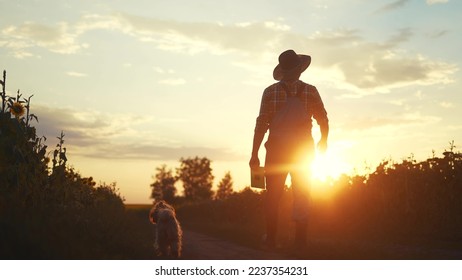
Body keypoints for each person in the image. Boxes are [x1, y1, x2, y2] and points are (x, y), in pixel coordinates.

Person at [249, 49, 329, 249]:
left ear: (282, 72)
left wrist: (254, 154)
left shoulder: (270, 92)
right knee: (302, 193)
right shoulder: (310, 91)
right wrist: (324, 140)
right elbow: (323, 118)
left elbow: (261, 125)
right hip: (303, 151)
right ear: (300, 70)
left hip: (276, 151)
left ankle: (272, 240)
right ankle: (300, 242)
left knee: (273, 195)